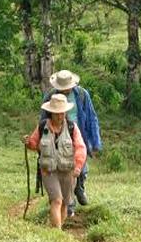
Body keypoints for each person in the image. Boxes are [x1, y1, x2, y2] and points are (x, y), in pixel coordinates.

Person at [41, 70, 102, 217]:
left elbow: (91, 118)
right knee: (64, 169)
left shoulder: (81, 95)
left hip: (77, 134)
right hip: (58, 137)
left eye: (67, 88)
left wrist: (95, 142)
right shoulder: (50, 97)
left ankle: (80, 187)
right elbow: (43, 118)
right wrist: (42, 139)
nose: (65, 90)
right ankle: (69, 205)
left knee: (81, 168)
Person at [23, 94, 87, 229]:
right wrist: (28, 142)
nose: (60, 116)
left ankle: (57, 228)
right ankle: (56, 232)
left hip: (68, 171)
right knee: (56, 200)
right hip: (49, 171)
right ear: (51, 113)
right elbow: (34, 144)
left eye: (62, 113)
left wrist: (78, 166)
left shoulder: (72, 127)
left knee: (65, 203)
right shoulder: (42, 127)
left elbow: (80, 147)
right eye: (57, 113)